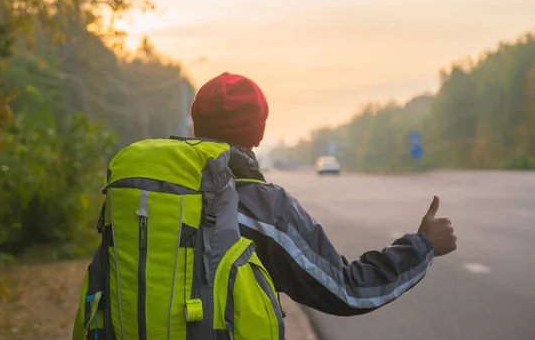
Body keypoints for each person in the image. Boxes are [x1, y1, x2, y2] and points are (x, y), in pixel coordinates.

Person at [190, 72, 458, 317]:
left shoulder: (151, 194)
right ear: (258, 135)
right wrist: (424, 245)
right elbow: (348, 290)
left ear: (195, 128)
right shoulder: (266, 211)